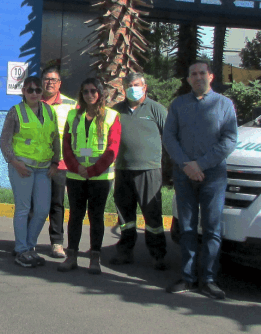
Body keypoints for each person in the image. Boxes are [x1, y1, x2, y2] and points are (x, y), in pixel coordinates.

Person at [163, 59, 237, 299]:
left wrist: (200, 165)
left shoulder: (224, 105)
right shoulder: (178, 104)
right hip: (184, 175)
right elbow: (169, 138)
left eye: (202, 73)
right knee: (186, 227)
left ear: (211, 76)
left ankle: (209, 279)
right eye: (193, 74)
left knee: (212, 228)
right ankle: (188, 277)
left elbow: (229, 140)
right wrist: (187, 166)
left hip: (213, 175)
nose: (197, 77)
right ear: (188, 79)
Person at [58, 78, 120, 275]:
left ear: (100, 93)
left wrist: (92, 170)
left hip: (99, 178)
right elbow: (66, 145)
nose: (89, 95)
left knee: (96, 217)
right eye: (85, 91)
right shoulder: (72, 115)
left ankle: (95, 258)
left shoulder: (112, 116)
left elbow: (113, 149)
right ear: (81, 94)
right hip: (76, 176)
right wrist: (76, 168)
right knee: (75, 216)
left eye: (94, 91)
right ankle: (72, 256)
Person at [110, 71, 168, 270]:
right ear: (124, 89)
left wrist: (169, 170)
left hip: (149, 170)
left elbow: (169, 139)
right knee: (125, 217)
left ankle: (158, 255)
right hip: (123, 170)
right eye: (129, 85)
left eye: (137, 85)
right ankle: (125, 252)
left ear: (145, 87)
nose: (133, 88)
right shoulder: (116, 111)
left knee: (152, 215)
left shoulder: (156, 109)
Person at [0, 75, 59, 268]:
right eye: (30, 90)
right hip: (22, 168)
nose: (34, 93)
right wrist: (15, 163)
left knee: (42, 210)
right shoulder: (15, 111)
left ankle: (29, 247)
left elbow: (55, 138)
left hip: (44, 169)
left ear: (42, 92)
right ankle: (22, 249)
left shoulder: (50, 111)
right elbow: (4, 142)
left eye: (38, 90)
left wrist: (55, 163)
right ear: (23, 92)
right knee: (23, 209)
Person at [39, 65, 77, 258]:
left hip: (60, 164)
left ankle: (57, 243)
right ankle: (27, 242)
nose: (50, 82)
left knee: (56, 204)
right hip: (36, 164)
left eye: (54, 80)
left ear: (60, 83)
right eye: (47, 79)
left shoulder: (71, 105)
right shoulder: (33, 102)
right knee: (32, 205)